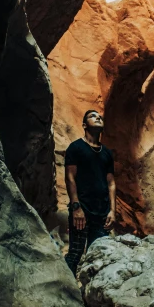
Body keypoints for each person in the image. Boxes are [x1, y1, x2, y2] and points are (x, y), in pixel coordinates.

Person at [64, 110, 116, 276]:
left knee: (99, 255)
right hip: (82, 210)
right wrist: (76, 207)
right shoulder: (76, 148)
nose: (98, 117)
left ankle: (91, 296)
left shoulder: (107, 153)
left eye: (100, 116)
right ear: (84, 125)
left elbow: (111, 183)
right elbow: (70, 178)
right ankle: (66, 292)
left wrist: (113, 211)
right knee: (75, 254)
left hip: (102, 213)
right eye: (93, 116)